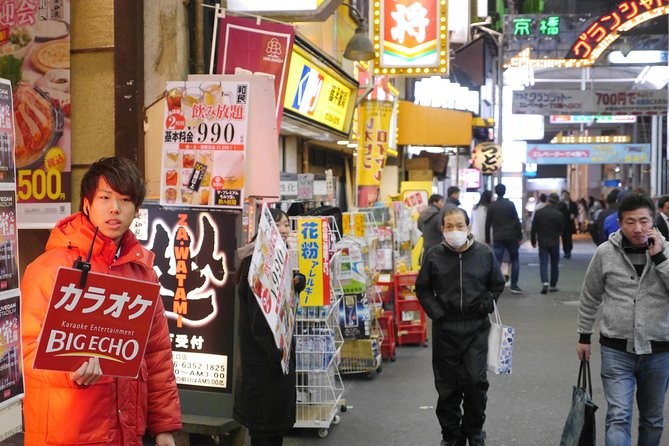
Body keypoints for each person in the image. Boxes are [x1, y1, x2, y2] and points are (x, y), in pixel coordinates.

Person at [21, 157, 182, 446]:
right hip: (65, 434)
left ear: (136, 210)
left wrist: (164, 427)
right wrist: (69, 370)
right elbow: (25, 350)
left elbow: (157, 356)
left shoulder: (142, 272)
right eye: (105, 198)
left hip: (126, 433)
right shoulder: (48, 269)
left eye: (125, 200)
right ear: (87, 203)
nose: (115, 209)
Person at [577, 192, 669, 446]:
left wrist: (660, 258)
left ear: (654, 221)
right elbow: (589, 296)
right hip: (616, 348)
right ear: (620, 222)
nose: (637, 228)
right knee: (618, 416)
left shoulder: (668, 252)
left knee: (652, 419)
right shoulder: (605, 252)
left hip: (659, 349)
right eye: (630, 222)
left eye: (643, 221)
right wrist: (584, 336)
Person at [416, 207, 505, 446]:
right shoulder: (434, 255)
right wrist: (437, 313)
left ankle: (474, 431)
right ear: (442, 229)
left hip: (476, 328)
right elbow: (422, 289)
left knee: (476, 383)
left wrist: (486, 304)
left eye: (459, 226)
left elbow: (497, 284)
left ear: (468, 227)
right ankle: (451, 436)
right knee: (447, 389)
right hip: (446, 329)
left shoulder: (484, 253)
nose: (454, 231)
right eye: (449, 226)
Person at [235, 208, 305, 446]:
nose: (286, 230)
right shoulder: (256, 262)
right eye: (281, 224)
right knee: (265, 432)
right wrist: (277, 354)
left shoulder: (275, 257)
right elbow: (258, 319)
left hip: (273, 361)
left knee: (273, 431)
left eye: (287, 225)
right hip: (264, 363)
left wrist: (297, 284)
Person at [485, 183, 523, 294]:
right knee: (514, 260)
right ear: (505, 191)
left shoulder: (492, 206)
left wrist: (487, 238)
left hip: (498, 236)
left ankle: (495, 285)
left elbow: (488, 224)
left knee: (497, 261)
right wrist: (519, 236)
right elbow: (516, 221)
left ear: (496, 192)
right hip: (511, 236)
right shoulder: (510, 204)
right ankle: (514, 285)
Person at [530, 193, 564, 294]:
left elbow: (534, 228)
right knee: (554, 264)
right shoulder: (558, 214)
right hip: (554, 241)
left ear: (548, 201)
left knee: (543, 263)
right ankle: (553, 285)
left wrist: (533, 241)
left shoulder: (539, 212)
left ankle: (545, 282)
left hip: (542, 241)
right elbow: (561, 229)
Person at [418, 194, 446, 260]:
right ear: (435, 202)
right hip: (438, 248)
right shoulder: (438, 215)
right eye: (441, 201)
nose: (443, 204)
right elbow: (441, 229)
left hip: (426, 247)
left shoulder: (422, 214)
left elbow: (419, 227)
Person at [558, 190, 578, 258]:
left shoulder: (573, 204)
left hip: (570, 223)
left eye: (566, 195)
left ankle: (569, 251)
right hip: (562, 224)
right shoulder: (560, 204)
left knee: (569, 238)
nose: (565, 196)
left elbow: (576, 212)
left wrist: (574, 215)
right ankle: (565, 251)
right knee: (564, 238)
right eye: (563, 195)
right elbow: (558, 212)